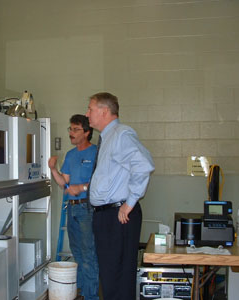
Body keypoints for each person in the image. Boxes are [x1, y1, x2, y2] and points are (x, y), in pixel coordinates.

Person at [86, 92, 155, 300]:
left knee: (119, 277)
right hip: (107, 216)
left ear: (104, 111)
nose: (86, 113)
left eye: (90, 109)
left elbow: (143, 165)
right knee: (109, 276)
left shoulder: (121, 134)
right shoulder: (107, 138)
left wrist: (130, 203)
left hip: (119, 215)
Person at [48, 114, 100, 300]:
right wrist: (53, 169)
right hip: (72, 209)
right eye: (70, 129)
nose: (71, 133)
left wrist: (83, 187)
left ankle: (91, 296)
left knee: (88, 255)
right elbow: (65, 184)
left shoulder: (96, 153)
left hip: (88, 209)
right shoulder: (70, 155)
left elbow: (102, 182)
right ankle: (80, 294)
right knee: (77, 253)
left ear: (86, 132)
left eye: (75, 129)